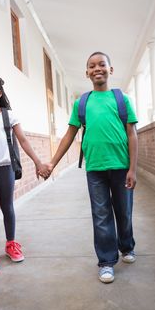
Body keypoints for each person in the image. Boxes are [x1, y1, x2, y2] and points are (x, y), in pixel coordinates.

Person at [39, 52, 138, 283]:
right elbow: (68, 135)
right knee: (101, 214)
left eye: (102, 65)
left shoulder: (121, 99)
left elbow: (132, 134)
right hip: (95, 168)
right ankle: (106, 261)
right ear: (86, 73)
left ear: (110, 70)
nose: (97, 69)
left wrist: (133, 169)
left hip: (122, 166)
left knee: (124, 212)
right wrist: (52, 163)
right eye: (92, 66)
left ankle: (127, 246)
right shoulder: (81, 103)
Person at [0, 76, 49, 278]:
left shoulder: (9, 116)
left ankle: (11, 245)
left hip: (6, 170)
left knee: (8, 208)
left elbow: (23, 140)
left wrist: (38, 163)